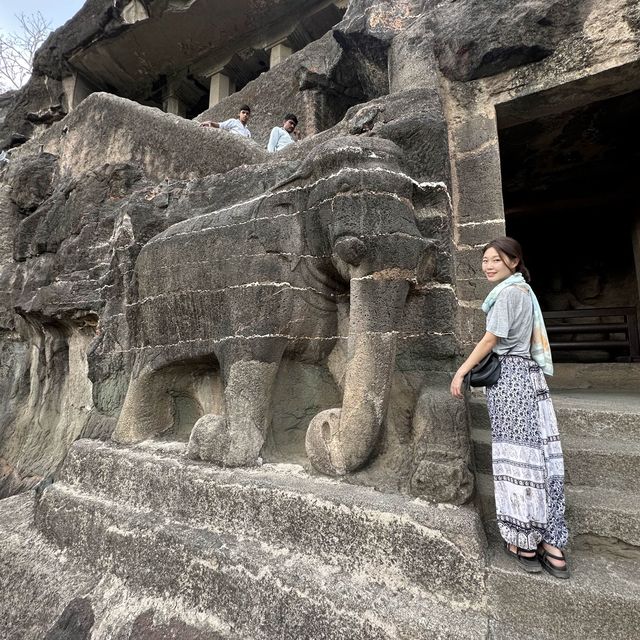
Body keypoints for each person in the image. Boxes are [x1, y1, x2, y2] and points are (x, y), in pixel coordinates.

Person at [450, 236, 570, 579]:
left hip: (511, 379)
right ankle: (553, 546)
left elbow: (491, 340)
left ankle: (526, 543)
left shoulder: (506, 295)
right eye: (485, 260)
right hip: (530, 377)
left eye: (496, 260)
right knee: (540, 458)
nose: (489, 266)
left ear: (514, 262)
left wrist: (462, 371)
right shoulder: (524, 291)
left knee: (517, 459)